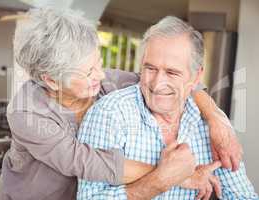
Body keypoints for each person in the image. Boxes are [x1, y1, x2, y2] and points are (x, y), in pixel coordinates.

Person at [0, 9, 243, 200]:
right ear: (51, 80)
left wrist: (216, 119)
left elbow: (176, 82)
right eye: (88, 72)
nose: (100, 76)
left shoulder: (107, 83)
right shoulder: (27, 112)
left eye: (98, 63)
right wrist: (176, 174)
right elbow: (84, 161)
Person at [76, 16, 258, 200]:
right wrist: (160, 180)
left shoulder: (213, 127)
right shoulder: (109, 113)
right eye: (150, 69)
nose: (158, 83)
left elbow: (243, 195)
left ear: (196, 77)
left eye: (172, 72)